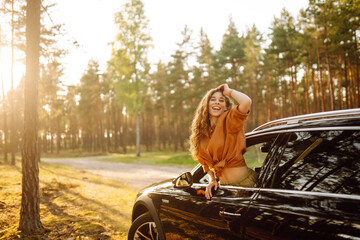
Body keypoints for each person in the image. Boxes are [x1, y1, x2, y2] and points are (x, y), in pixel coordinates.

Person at [189, 83, 257, 199]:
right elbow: (204, 162)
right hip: (225, 187)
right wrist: (212, 179)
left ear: (225, 106)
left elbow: (246, 102)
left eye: (221, 100)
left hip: (247, 184)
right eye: (213, 99)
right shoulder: (201, 133)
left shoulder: (230, 120)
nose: (217, 102)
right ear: (207, 104)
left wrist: (229, 92)